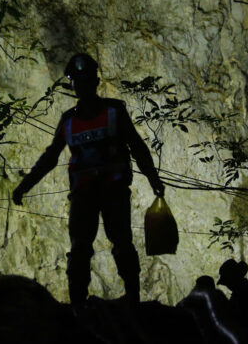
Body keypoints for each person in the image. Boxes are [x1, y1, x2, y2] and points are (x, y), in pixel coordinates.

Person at [12, 53, 165, 307]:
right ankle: (95, 303)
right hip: (94, 195)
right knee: (95, 246)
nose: (81, 85)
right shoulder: (76, 119)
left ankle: (97, 303)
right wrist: (24, 186)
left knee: (103, 245)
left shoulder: (104, 114)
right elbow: (50, 158)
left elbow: (137, 148)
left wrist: (153, 179)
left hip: (105, 192)